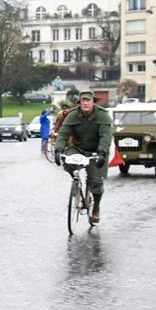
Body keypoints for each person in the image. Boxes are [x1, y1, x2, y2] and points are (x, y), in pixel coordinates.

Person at [54, 90, 112, 223]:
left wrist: (102, 152)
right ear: (79, 103)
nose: (85, 103)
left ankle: (96, 208)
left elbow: (105, 136)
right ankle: (77, 187)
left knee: (96, 181)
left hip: (96, 150)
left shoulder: (102, 115)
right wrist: (58, 150)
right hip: (78, 148)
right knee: (67, 162)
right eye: (82, 101)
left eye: (88, 100)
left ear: (93, 102)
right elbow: (63, 133)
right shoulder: (72, 115)